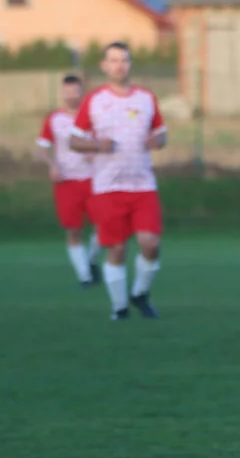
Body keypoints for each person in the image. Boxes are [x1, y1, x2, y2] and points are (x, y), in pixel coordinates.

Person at [69, 42, 168, 320]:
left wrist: (156, 141)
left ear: (130, 64)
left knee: (150, 244)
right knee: (117, 248)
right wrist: (98, 145)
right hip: (107, 187)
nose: (119, 65)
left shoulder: (146, 98)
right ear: (104, 66)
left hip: (143, 184)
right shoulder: (95, 100)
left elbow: (162, 133)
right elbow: (74, 140)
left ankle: (140, 294)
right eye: (113, 61)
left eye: (124, 60)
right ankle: (119, 307)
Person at [36, 74, 102, 287]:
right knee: (73, 230)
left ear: (83, 92)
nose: (71, 96)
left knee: (104, 225)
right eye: (67, 91)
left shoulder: (95, 117)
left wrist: (96, 154)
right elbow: (42, 147)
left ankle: (90, 261)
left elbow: (106, 144)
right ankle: (84, 277)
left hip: (95, 180)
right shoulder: (54, 119)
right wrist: (51, 164)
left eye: (75, 91)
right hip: (66, 182)